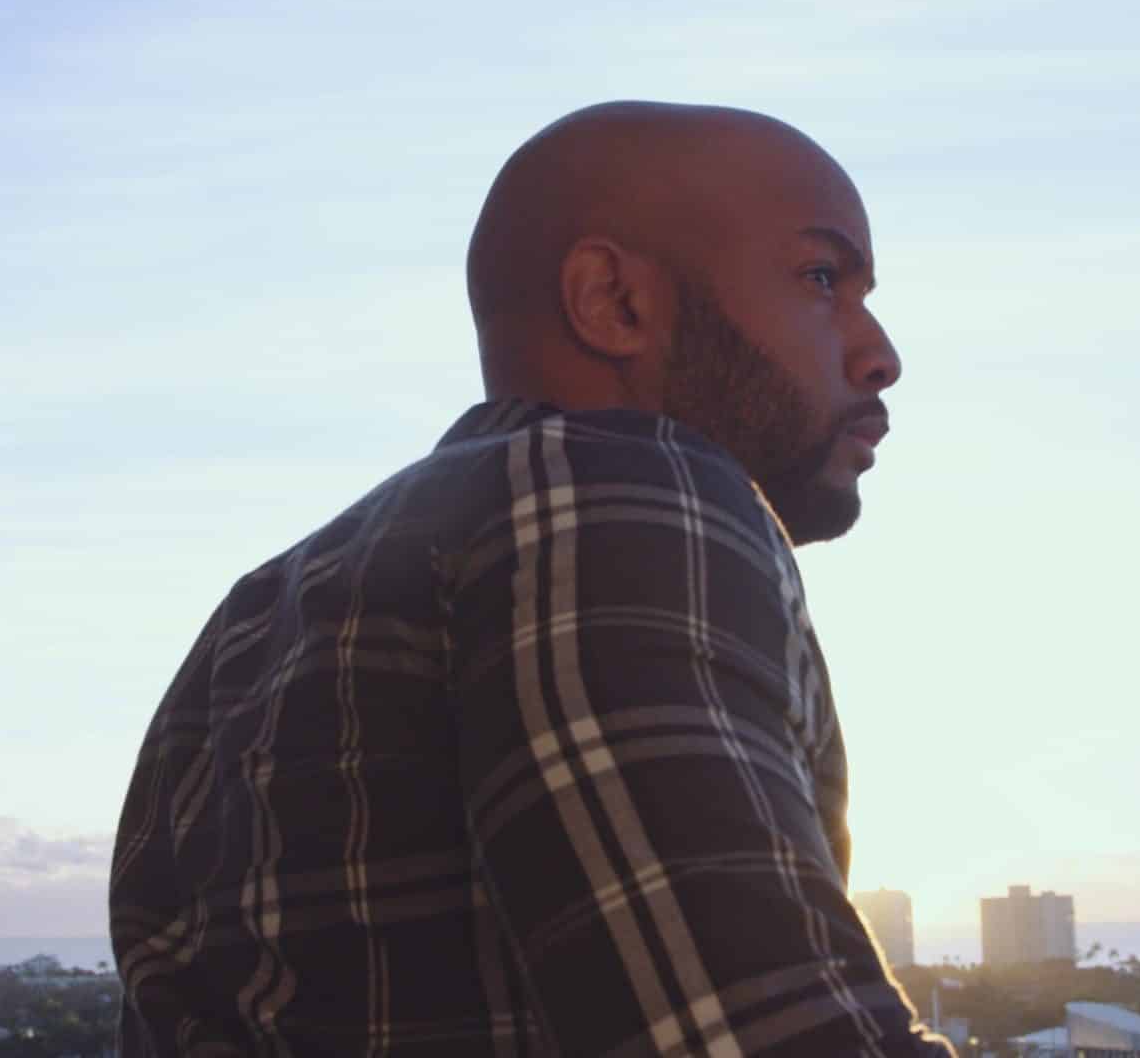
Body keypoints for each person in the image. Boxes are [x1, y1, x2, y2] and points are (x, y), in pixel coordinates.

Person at [109, 100, 952, 1056]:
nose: (879, 353)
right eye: (821, 277)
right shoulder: (617, 481)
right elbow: (755, 1037)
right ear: (614, 302)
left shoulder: (254, 619)